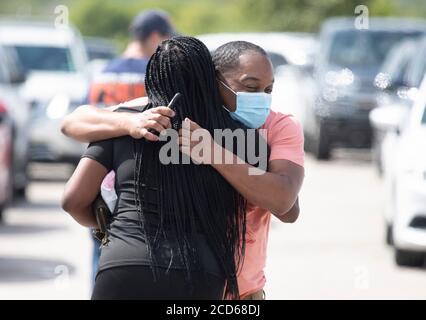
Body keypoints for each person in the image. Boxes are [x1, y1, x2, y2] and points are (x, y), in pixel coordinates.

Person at [61, 41, 305, 300]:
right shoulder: (143, 118)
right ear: (213, 81)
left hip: (234, 288)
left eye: (268, 90)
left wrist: (117, 229)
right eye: (250, 87)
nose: (261, 98)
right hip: (207, 275)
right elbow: (74, 121)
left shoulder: (271, 130)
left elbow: (285, 204)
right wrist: (128, 121)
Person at [86, 9, 177, 283]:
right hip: (132, 173)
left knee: (100, 244)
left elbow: (88, 115)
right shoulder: (152, 72)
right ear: (153, 37)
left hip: (96, 169)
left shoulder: (102, 72)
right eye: (165, 39)